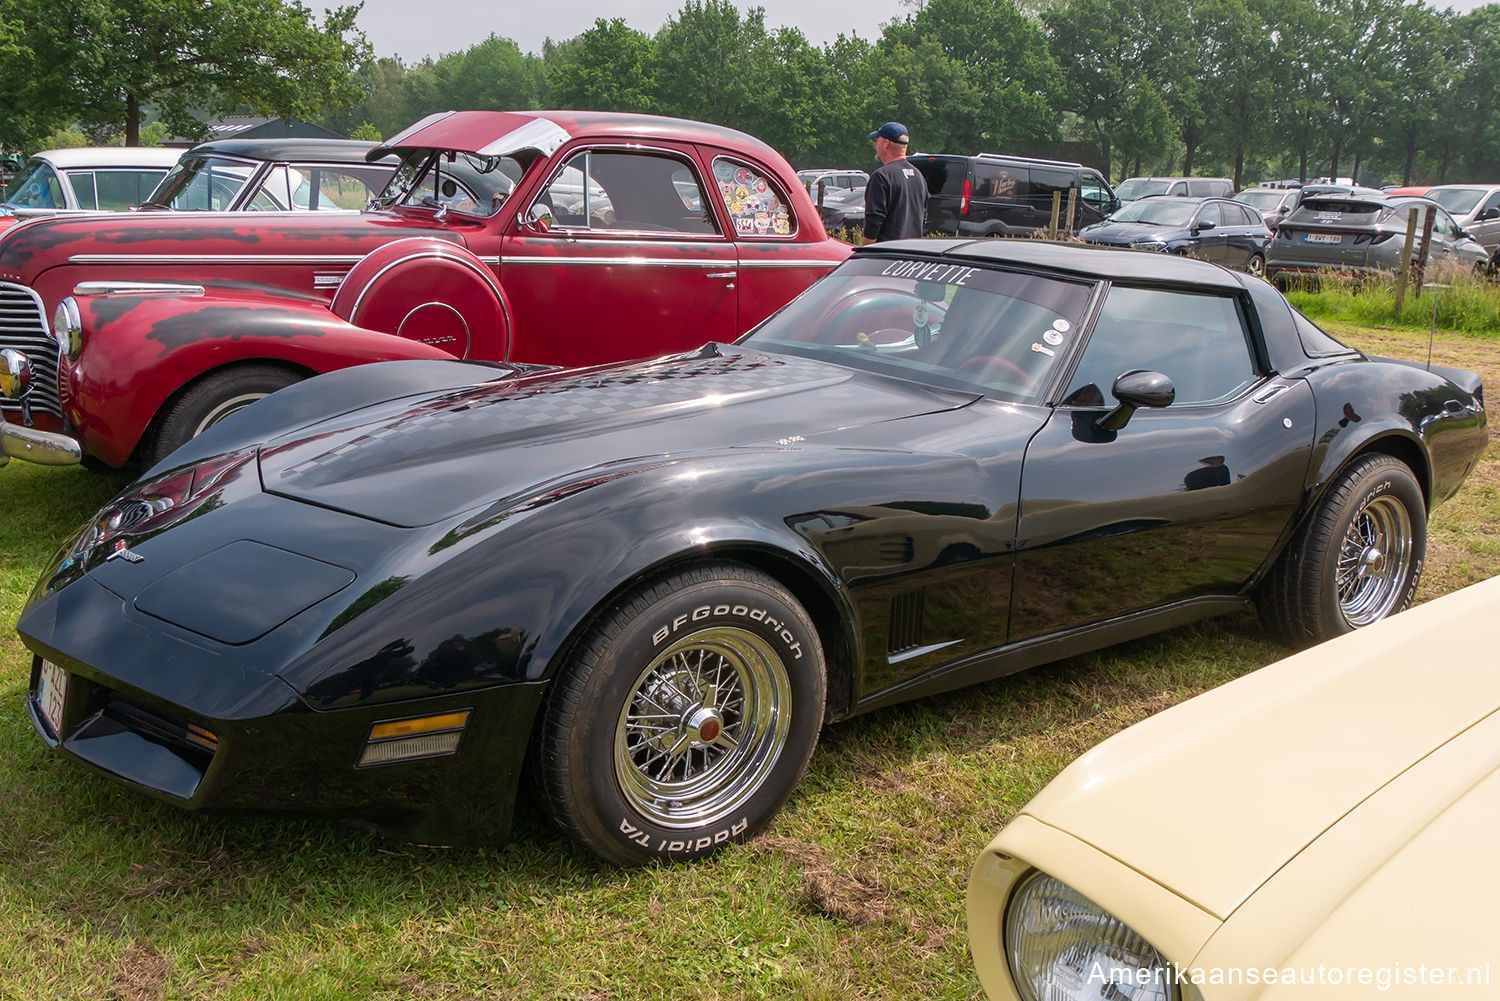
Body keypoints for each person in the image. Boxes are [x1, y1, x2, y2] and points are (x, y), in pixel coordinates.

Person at [863, 121, 927, 242]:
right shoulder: (919, 176)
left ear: (886, 144)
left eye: (877, 140)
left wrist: (865, 252)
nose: (875, 144)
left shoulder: (881, 176)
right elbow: (923, 217)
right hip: (912, 255)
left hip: (887, 254)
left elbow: (874, 220)